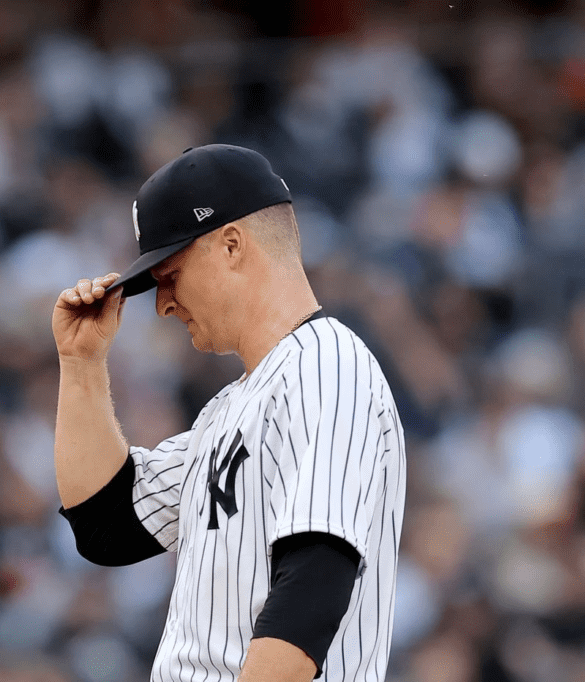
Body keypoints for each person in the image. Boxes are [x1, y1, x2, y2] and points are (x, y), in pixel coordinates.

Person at [51, 144, 406, 682]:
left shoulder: (327, 365)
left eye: (168, 274)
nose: (163, 303)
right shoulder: (231, 406)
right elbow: (107, 524)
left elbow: (312, 590)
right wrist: (81, 364)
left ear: (232, 245)